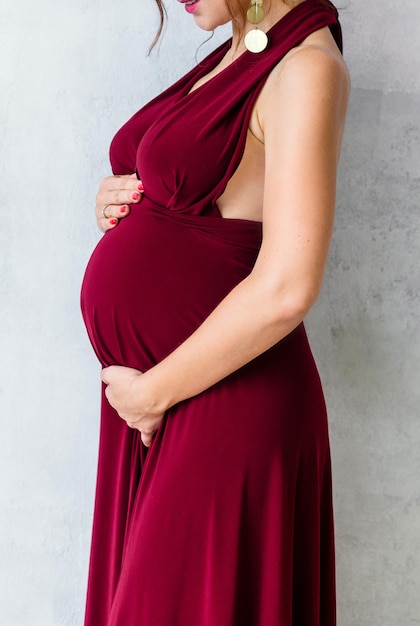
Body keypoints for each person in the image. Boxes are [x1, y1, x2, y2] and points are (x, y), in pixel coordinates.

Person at [80, 0, 349, 623]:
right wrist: (121, 203)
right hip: (162, 403)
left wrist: (151, 394)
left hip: (225, 404)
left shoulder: (306, 67)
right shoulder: (237, 50)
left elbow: (288, 284)